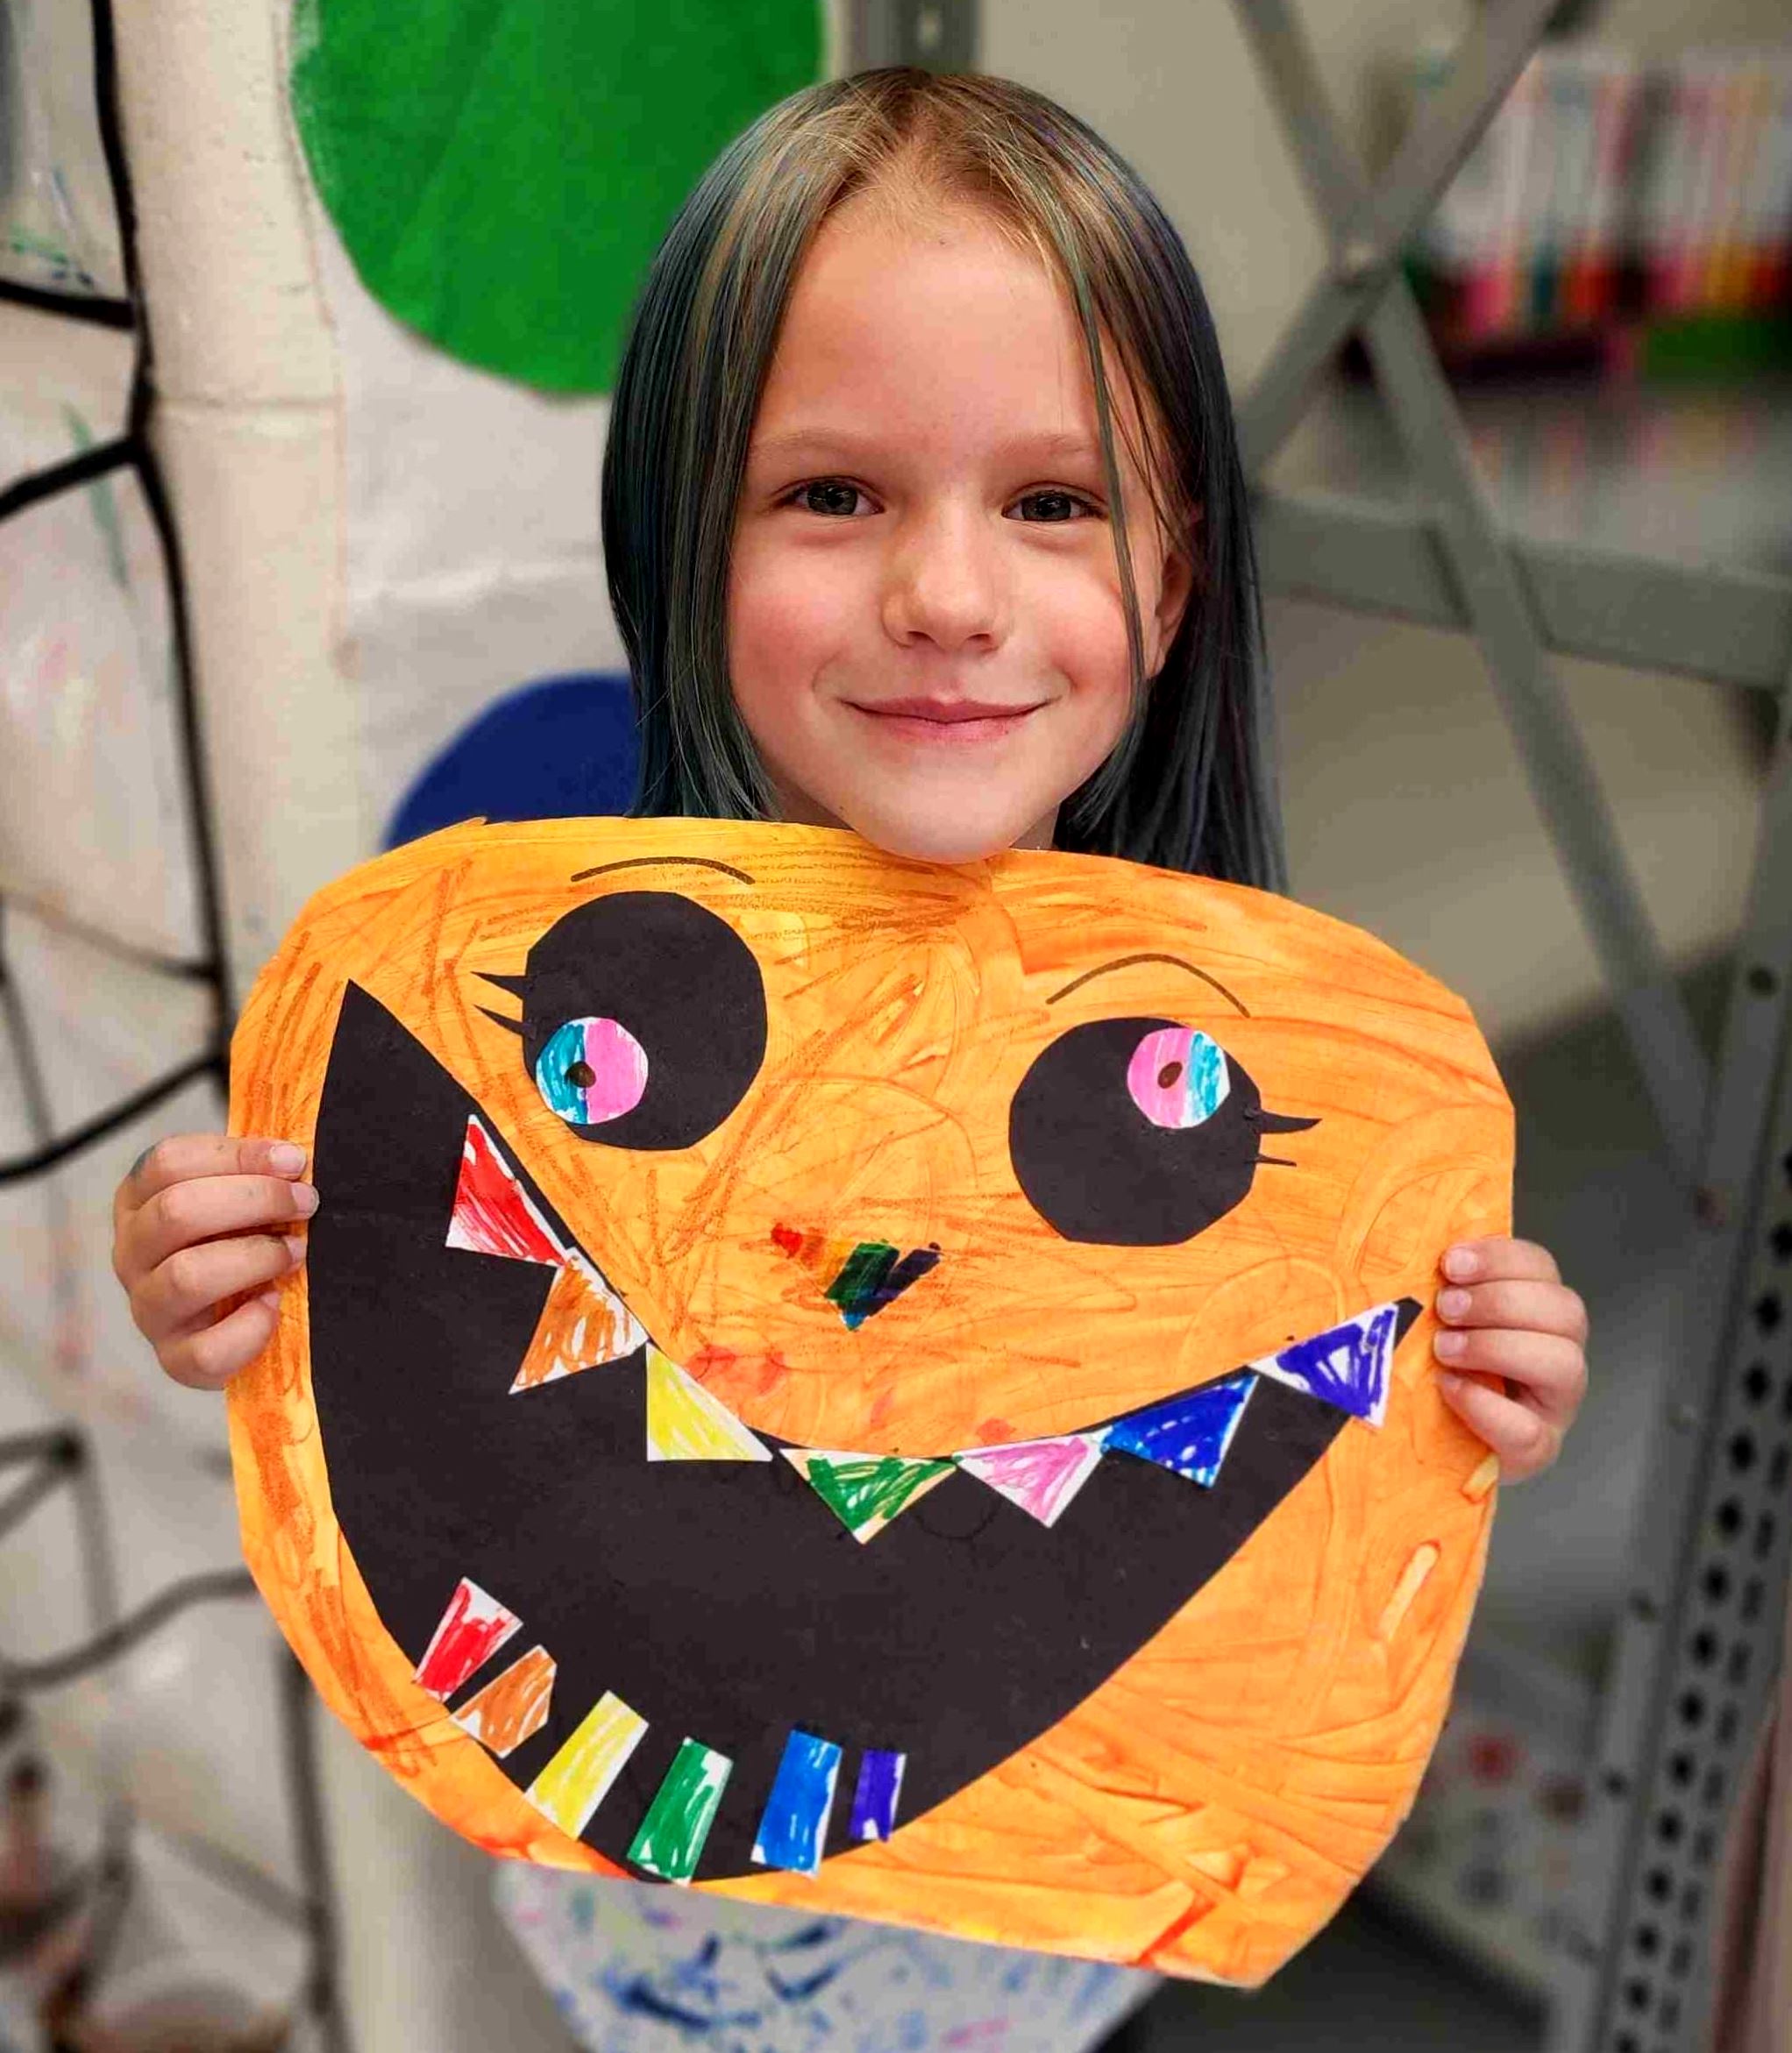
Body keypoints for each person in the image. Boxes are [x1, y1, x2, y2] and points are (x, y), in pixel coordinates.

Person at [107, 67, 1590, 2051]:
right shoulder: (538, 1021)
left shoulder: (1242, 1082)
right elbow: (411, 1353)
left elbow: (1300, 1473)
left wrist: (1468, 1384)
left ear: (1167, 584)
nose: (947, 598)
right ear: (685, 547)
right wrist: (222, 1276)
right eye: (833, 494)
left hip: (1056, 1962)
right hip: (647, 1954)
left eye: (1052, 503)